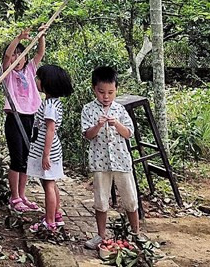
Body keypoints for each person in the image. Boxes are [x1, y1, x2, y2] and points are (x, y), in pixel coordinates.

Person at [81, 66, 140, 250]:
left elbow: (129, 133)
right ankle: (100, 235)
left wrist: (117, 124)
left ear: (116, 90)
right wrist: (98, 126)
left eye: (110, 92)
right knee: (101, 199)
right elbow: (87, 135)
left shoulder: (120, 110)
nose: (106, 96)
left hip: (122, 161)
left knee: (130, 198)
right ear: (94, 89)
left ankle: (136, 233)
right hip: (100, 163)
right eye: (101, 92)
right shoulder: (88, 109)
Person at [1, 25, 47, 213]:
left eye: (20, 55)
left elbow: (40, 52)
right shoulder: (8, 74)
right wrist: (18, 39)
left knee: (26, 160)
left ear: (26, 58)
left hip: (30, 119)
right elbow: (6, 57)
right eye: (14, 55)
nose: (16, 59)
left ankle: (22, 194)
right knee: (16, 158)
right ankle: (14, 197)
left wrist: (41, 36)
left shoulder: (29, 71)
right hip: (14, 118)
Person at [26, 64, 74, 233]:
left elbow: (50, 129)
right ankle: (56, 214)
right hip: (47, 149)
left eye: (38, 78)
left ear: (47, 83)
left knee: (48, 185)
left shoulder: (50, 106)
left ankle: (50, 221)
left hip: (48, 151)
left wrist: (45, 155)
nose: (36, 81)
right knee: (51, 184)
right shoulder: (52, 103)